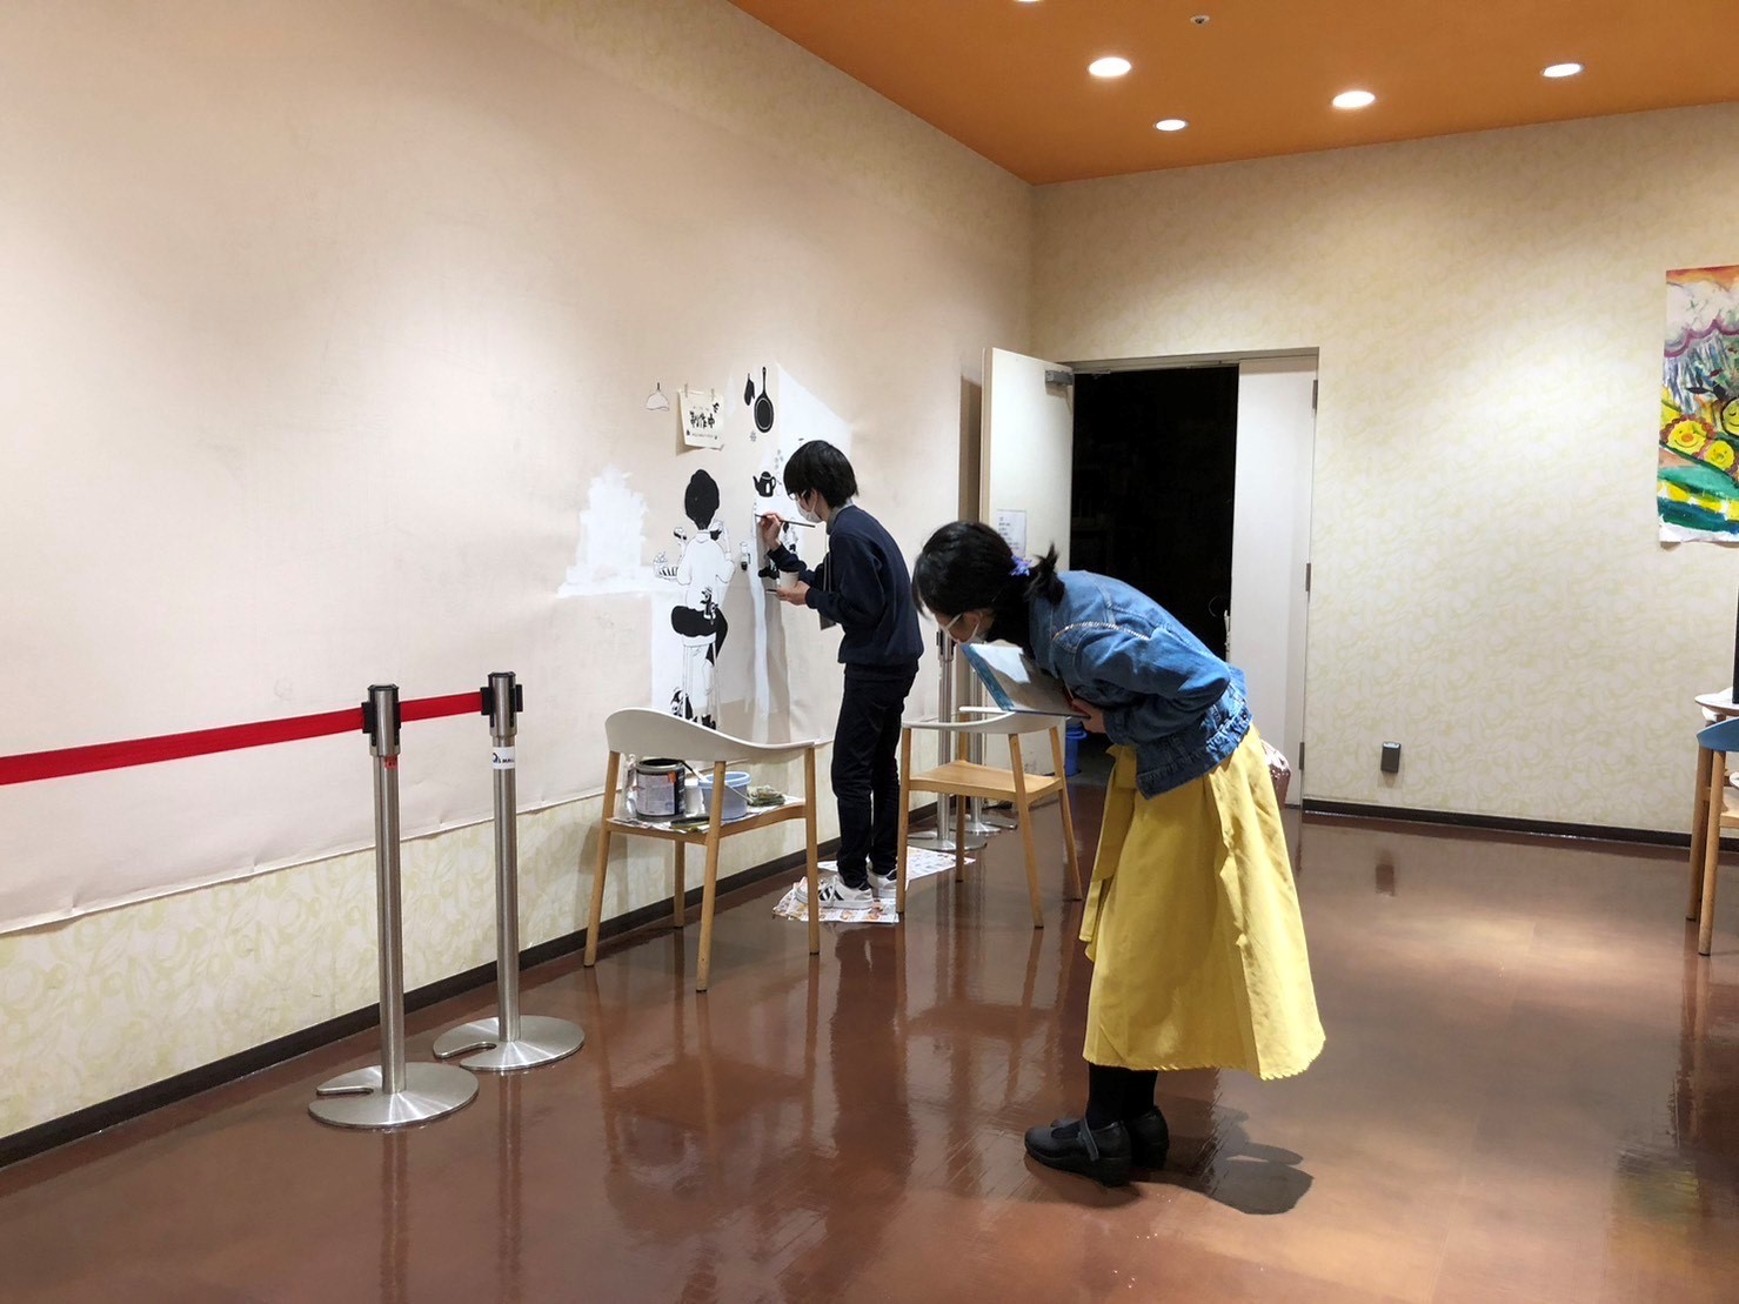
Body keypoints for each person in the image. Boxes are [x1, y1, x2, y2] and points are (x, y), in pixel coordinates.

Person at [911, 521, 1324, 1186]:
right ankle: (1135, 1117)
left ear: (977, 607)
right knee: (1141, 948)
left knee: (1130, 954)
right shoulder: (1056, 604)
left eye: (950, 624)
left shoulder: (1075, 636)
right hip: (1176, 770)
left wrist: (1114, 723)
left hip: (1196, 778)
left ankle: (1104, 1130)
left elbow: (1209, 682)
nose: (955, 638)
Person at [760, 441, 923, 912]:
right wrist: (778, 551)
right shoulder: (859, 526)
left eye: (799, 496)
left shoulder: (847, 535)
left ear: (812, 493)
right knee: (879, 767)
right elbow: (824, 579)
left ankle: (851, 882)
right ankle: (883, 870)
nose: (799, 505)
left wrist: (809, 598)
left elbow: (859, 608)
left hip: (875, 667)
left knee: (849, 771)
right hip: (897, 662)